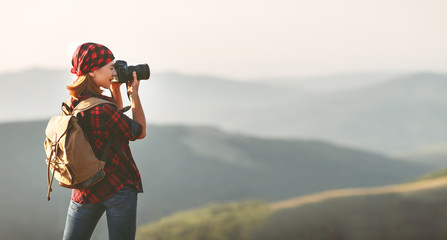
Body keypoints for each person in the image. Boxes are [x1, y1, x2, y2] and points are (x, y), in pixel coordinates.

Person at [62, 42, 146, 240]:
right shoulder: (102, 109)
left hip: (84, 188)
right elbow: (139, 132)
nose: (114, 71)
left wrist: (115, 91)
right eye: (110, 67)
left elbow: (112, 123)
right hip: (117, 186)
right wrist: (133, 94)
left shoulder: (74, 103)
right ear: (92, 71)